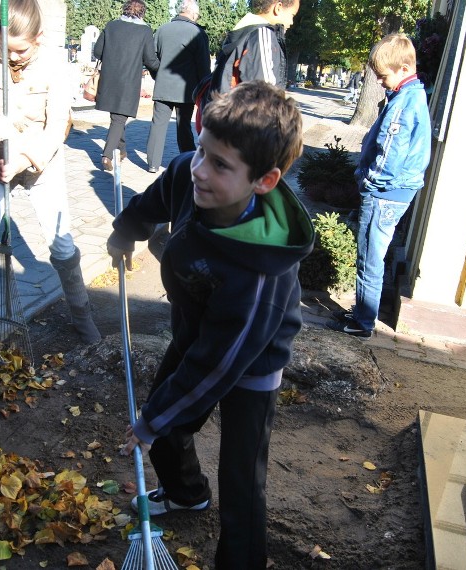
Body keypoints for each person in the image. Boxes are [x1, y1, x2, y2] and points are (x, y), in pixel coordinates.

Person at [108, 81, 314, 569]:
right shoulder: (191, 175)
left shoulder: (261, 271)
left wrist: (152, 420)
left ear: (265, 180)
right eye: (202, 150)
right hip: (198, 329)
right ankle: (186, 493)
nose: (200, 169)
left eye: (221, 165)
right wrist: (125, 231)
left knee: (242, 479)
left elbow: (218, 364)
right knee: (171, 424)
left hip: (251, 360)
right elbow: (160, 193)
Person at [0, 0, 101, 344]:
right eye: (4, 49)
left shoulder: (53, 63)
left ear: (37, 38)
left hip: (41, 162)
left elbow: (58, 126)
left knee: (61, 244)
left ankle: (82, 315)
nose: (10, 58)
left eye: (19, 51)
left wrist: (25, 158)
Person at [327, 33, 431, 338]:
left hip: (384, 192)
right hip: (397, 190)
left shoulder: (402, 104)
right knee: (373, 255)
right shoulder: (412, 96)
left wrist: (368, 182)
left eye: (382, 76)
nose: (381, 82)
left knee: (369, 258)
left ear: (402, 69)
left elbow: (389, 152)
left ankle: (362, 323)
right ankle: (362, 312)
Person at [93, 0, 160, 172]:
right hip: (128, 80)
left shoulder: (112, 25)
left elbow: (97, 52)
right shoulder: (144, 30)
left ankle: (121, 150)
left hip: (109, 78)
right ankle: (107, 156)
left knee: (116, 117)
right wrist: (161, 71)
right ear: (142, 12)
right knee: (119, 118)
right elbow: (150, 59)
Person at [144, 0, 210, 173]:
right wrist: (204, 87)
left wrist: (159, 74)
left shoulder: (162, 29)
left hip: (163, 86)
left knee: (158, 125)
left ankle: (152, 164)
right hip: (186, 89)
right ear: (193, 14)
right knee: (183, 126)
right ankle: (188, 161)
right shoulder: (197, 33)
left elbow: (151, 57)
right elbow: (203, 65)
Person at [209, 0, 300, 95]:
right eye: (292, 15)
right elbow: (265, 93)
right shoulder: (262, 34)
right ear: (278, 8)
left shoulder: (244, 32)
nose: (292, 22)